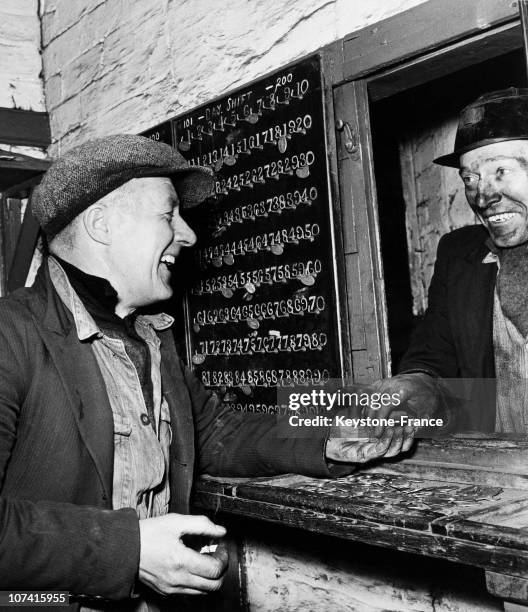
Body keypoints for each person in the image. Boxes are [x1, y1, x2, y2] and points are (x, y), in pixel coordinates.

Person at [0, 134, 414, 608]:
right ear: (102, 224)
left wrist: (329, 431)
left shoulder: (151, 335)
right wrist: (129, 550)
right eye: (168, 214)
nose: (188, 234)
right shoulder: (10, 336)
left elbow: (217, 433)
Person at [378, 88, 528, 433]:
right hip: (501, 472)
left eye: (500, 171)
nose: (484, 196)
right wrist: (415, 386)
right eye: (469, 179)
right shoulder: (458, 254)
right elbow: (434, 354)